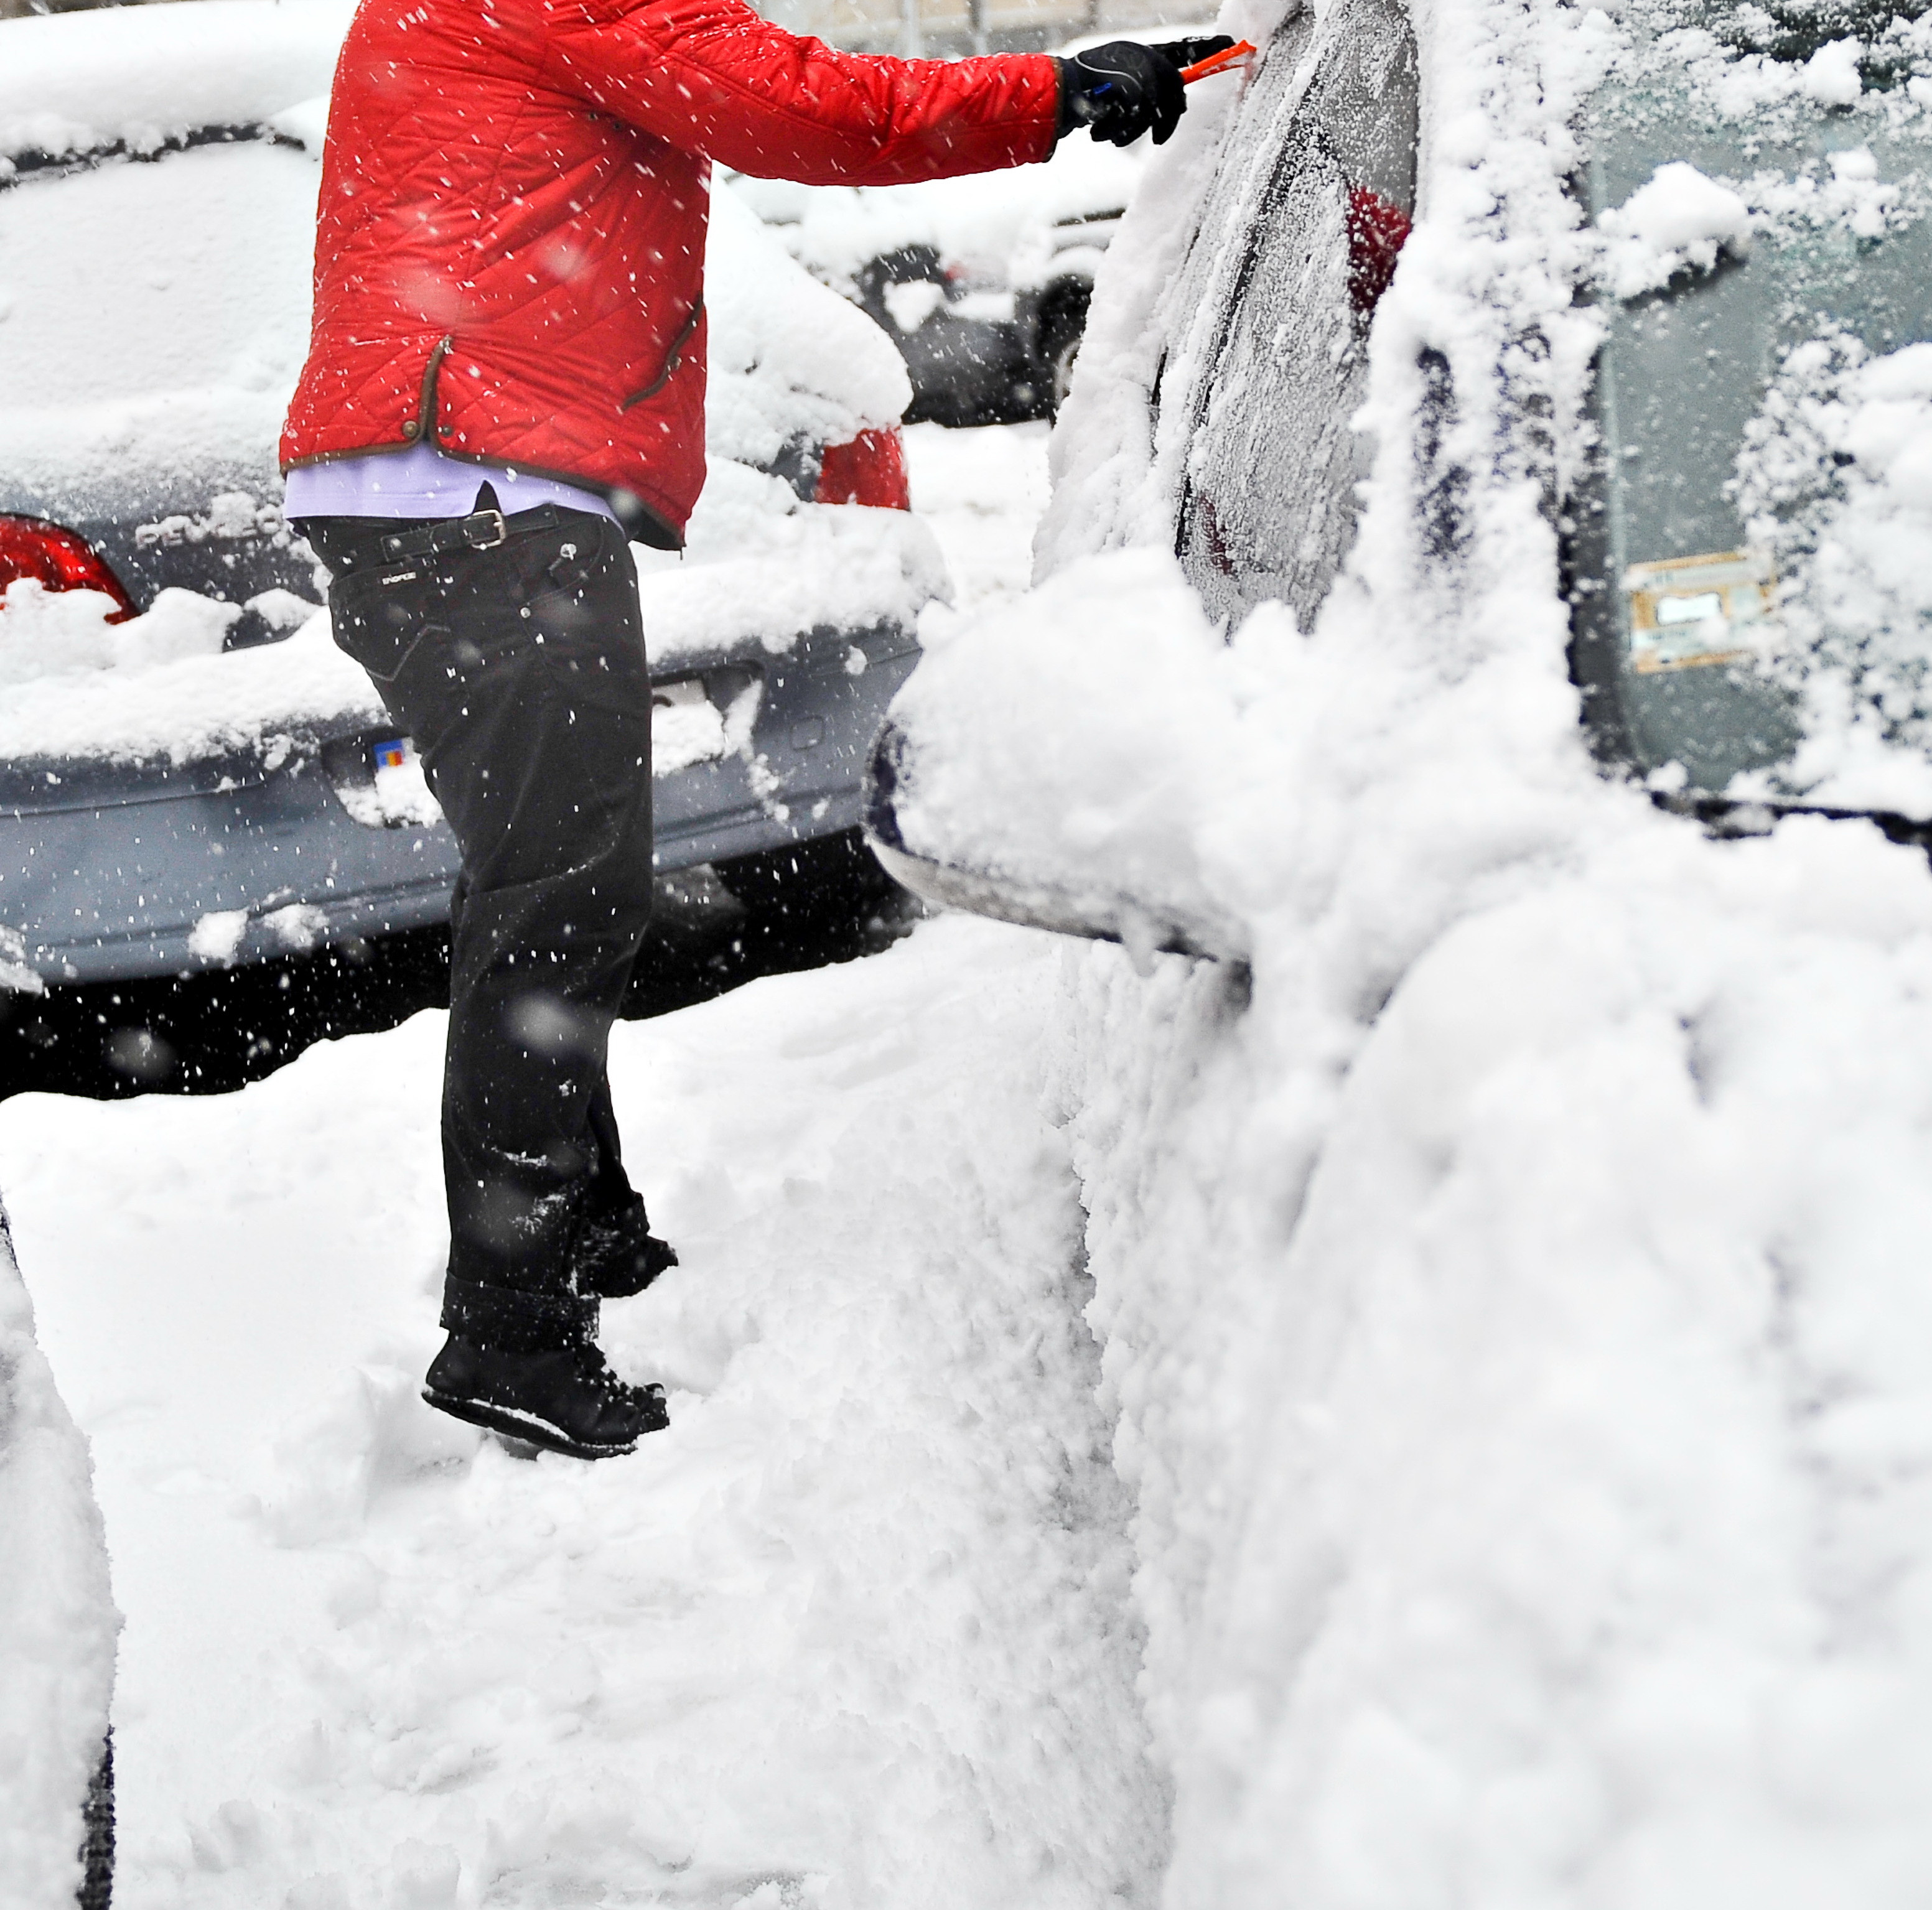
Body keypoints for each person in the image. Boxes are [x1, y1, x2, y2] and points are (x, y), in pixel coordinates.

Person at [282, 0, 1228, 1461]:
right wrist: (1047, 92)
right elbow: (811, 107)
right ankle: (509, 1330)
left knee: (545, 868)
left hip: (434, 480)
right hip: (469, 481)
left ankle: (583, 1239)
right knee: (562, 885)